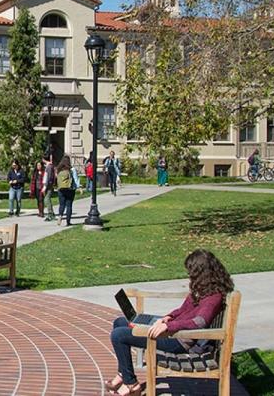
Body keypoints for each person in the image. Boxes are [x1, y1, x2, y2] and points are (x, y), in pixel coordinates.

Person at [105, 249, 235, 396]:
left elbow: (200, 322)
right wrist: (168, 317)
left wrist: (168, 326)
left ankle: (131, 384)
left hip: (178, 341)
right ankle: (123, 374)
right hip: (173, 331)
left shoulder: (213, 297)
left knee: (118, 335)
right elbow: (183, 309)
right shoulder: (204, 289)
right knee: (120, 322)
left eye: (191, 272)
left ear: (202, 273)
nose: (189, 275)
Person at [57, 155, 80, 226]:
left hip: (61, 189)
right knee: (69, 205)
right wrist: (78, 187)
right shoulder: (72, 170)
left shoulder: (59, 169)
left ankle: (60, 216)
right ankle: (68, 221)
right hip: (70, 189)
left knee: (61, 204)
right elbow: (75, 179)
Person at [41, 153, 57, 220]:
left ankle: (51, 214)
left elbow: (49, 177)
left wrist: (45, 186)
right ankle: (51, 213)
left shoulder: (49, 167)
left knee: (47, 199)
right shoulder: (48, 166)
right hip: (47, 185)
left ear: (44, 159)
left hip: (48, 186)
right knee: (46, 199)